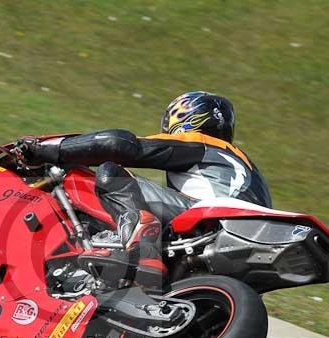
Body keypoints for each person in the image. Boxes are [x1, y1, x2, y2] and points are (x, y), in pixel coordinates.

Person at [17, 91, 272, 285]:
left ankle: (140, 248)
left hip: (213, 219)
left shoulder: (200, 142)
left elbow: (119, 144)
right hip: (245, 239)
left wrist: (46, 150)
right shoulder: (246, 167)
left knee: (111, 172)